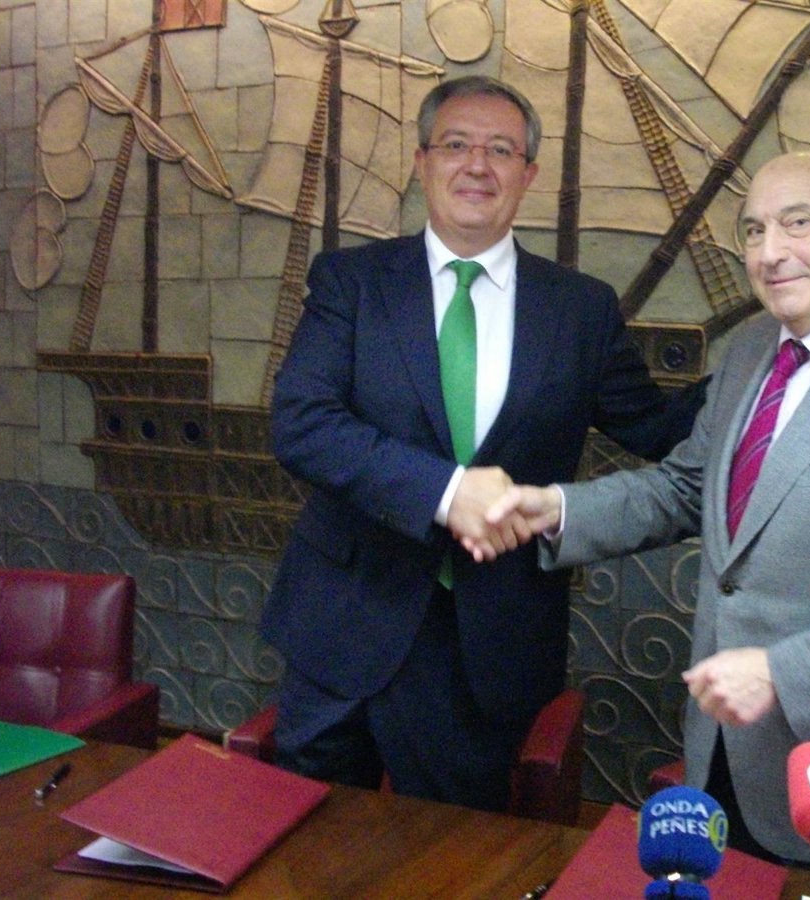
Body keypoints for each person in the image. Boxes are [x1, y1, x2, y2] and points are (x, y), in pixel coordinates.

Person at [475, 151, 810, 885]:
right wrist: (556, 508)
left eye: (797, 224)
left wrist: (783, 673)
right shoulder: (749, 352)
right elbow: (686, 488)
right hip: (725, 755)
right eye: (754, 230)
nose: (769, 253)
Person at [260, 75, 705, 810]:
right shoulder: (353, 282)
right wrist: (446, 492)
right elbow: (303, 424)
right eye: (456, 145)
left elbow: (658, 429)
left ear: (528, 174)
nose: (477, 165)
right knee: (308, 841)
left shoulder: (581, 309)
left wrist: (770, 366)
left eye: (501, 150)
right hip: (345, 626)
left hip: (489, 645)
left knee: (458, 852)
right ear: (422, 162)